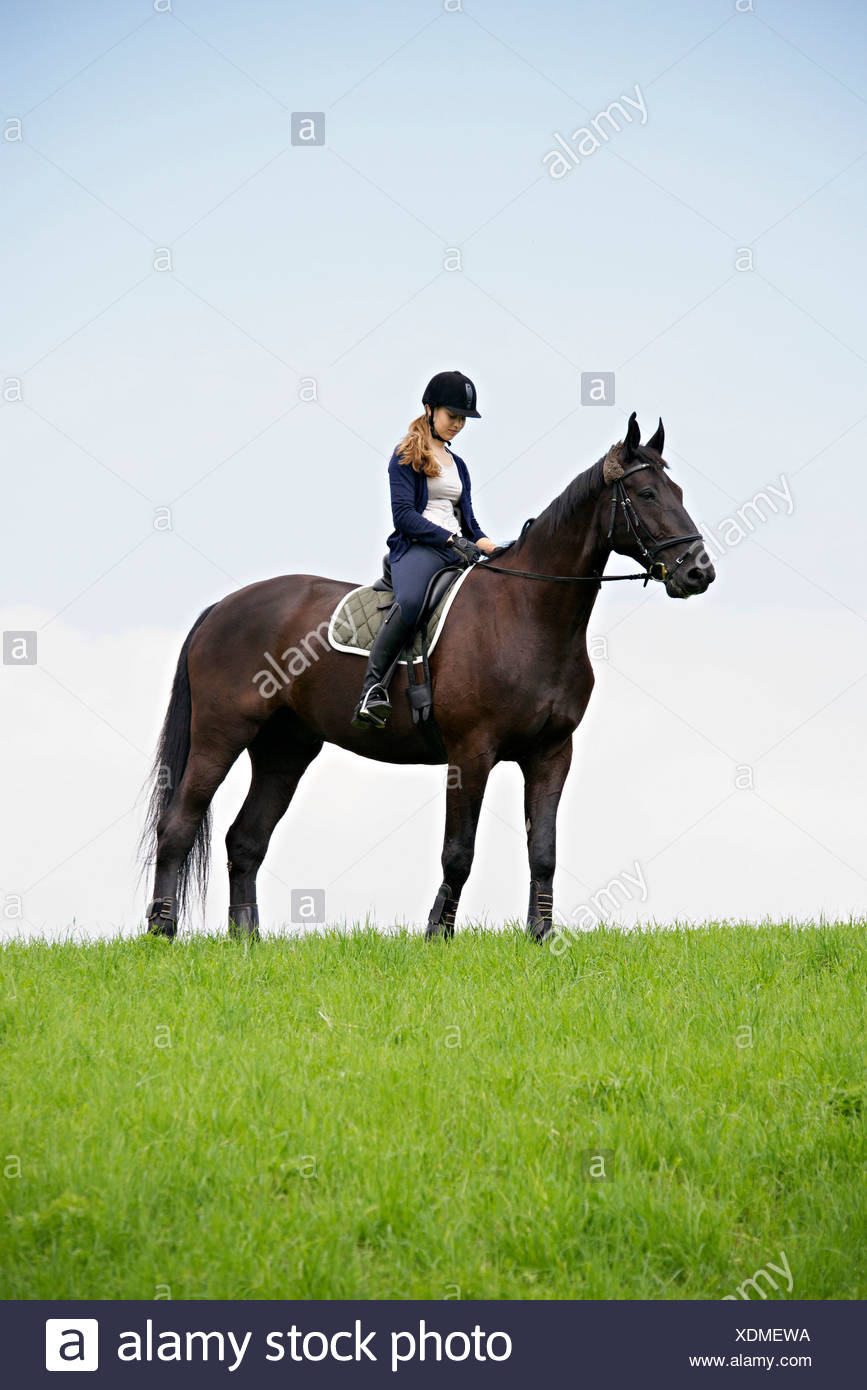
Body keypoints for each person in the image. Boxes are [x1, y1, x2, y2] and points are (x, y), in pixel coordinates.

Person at [351, 369, 496, 729]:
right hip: (417, 549)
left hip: (460, 551)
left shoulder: (458, 465)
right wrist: (449, 540)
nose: (458, 424)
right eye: (453, 416)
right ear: (430, 410)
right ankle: (372, 689)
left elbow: (471, 526)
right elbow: (404, 516)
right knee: (412, 602)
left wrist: (500, 549)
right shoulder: (406, 455)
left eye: (463, 418)